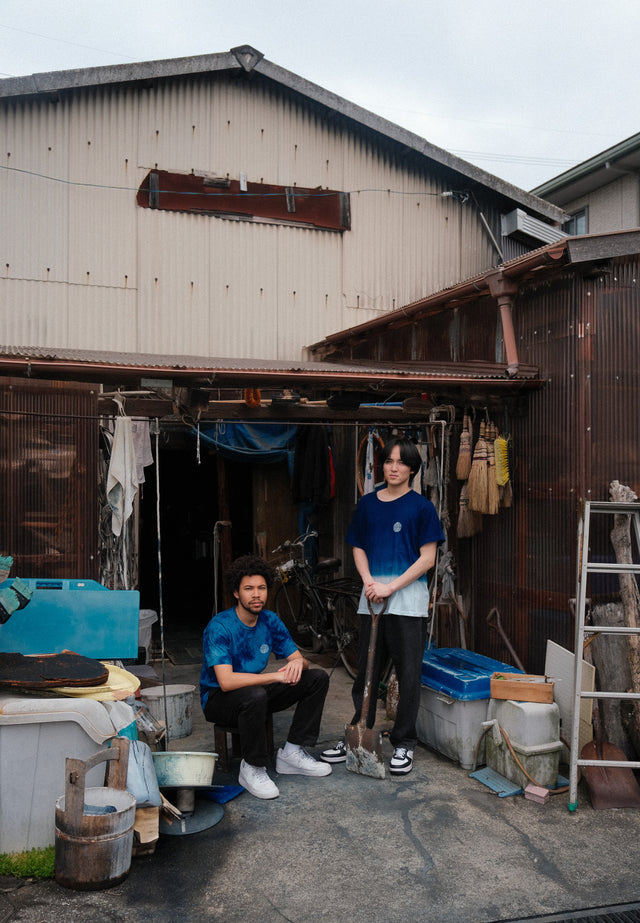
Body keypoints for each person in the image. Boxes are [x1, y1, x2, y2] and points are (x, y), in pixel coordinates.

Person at [321, 436, 444, 776]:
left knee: (407, 676)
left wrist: (391, 585)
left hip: (408, 602)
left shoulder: (422, 507)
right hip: (372, 600)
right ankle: (357, 732)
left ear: (412, 469)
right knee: (367, 674)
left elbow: (428, 558)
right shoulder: (368, 504)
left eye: (401, 462)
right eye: (388, 461)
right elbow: (358, 546)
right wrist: (369, 583)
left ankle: (403, 742)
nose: (393, 467)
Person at [201, 554, 331, 799]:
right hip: (218, 699)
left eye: (261, 588)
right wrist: (276, 677)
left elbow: (299, 658)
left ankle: (291, 754)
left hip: (255, 694)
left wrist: (296, 664)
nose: (256, 594)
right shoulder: (220, 627)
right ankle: (252, 767)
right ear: (237, 593)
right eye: (249, 589)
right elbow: (226, 682)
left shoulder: (270, 620)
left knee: (317, 678)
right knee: (256, 694)